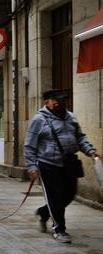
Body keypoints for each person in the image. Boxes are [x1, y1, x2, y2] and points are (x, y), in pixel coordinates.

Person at [24, 89, 99, 243]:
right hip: (48, 164)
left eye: (62, 100)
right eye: (56, 100)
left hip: (69, 163)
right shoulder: (39, 119)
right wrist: (32, 166)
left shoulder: (71, 117)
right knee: (55, 196)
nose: (60, 103)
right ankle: (59, 229)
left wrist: (91, 151)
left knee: (69, 195)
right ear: (47, 102)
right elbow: (29, 145)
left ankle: (43, 212)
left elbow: (80, 137)